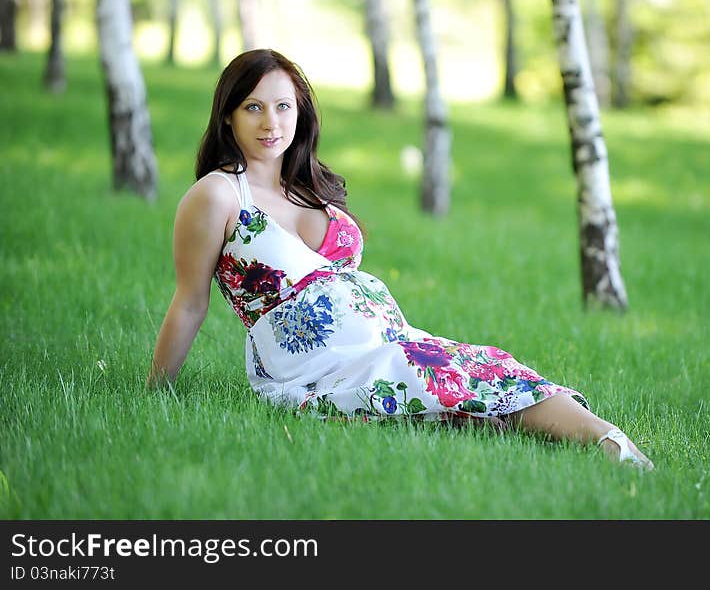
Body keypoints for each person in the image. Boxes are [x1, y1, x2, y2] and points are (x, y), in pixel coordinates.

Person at [148, 48, 654, 471]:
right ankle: (608, 444)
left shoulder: (305, 185)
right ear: (228, 115)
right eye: (254, 108)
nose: (271, 122)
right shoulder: (217, 196)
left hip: (387, 339)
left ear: (300, 111)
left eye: (283, 106)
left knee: (489, 364)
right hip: (319, 364)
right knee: (451, 379)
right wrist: (154, 394)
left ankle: (610, 441)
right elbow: (190, 302)